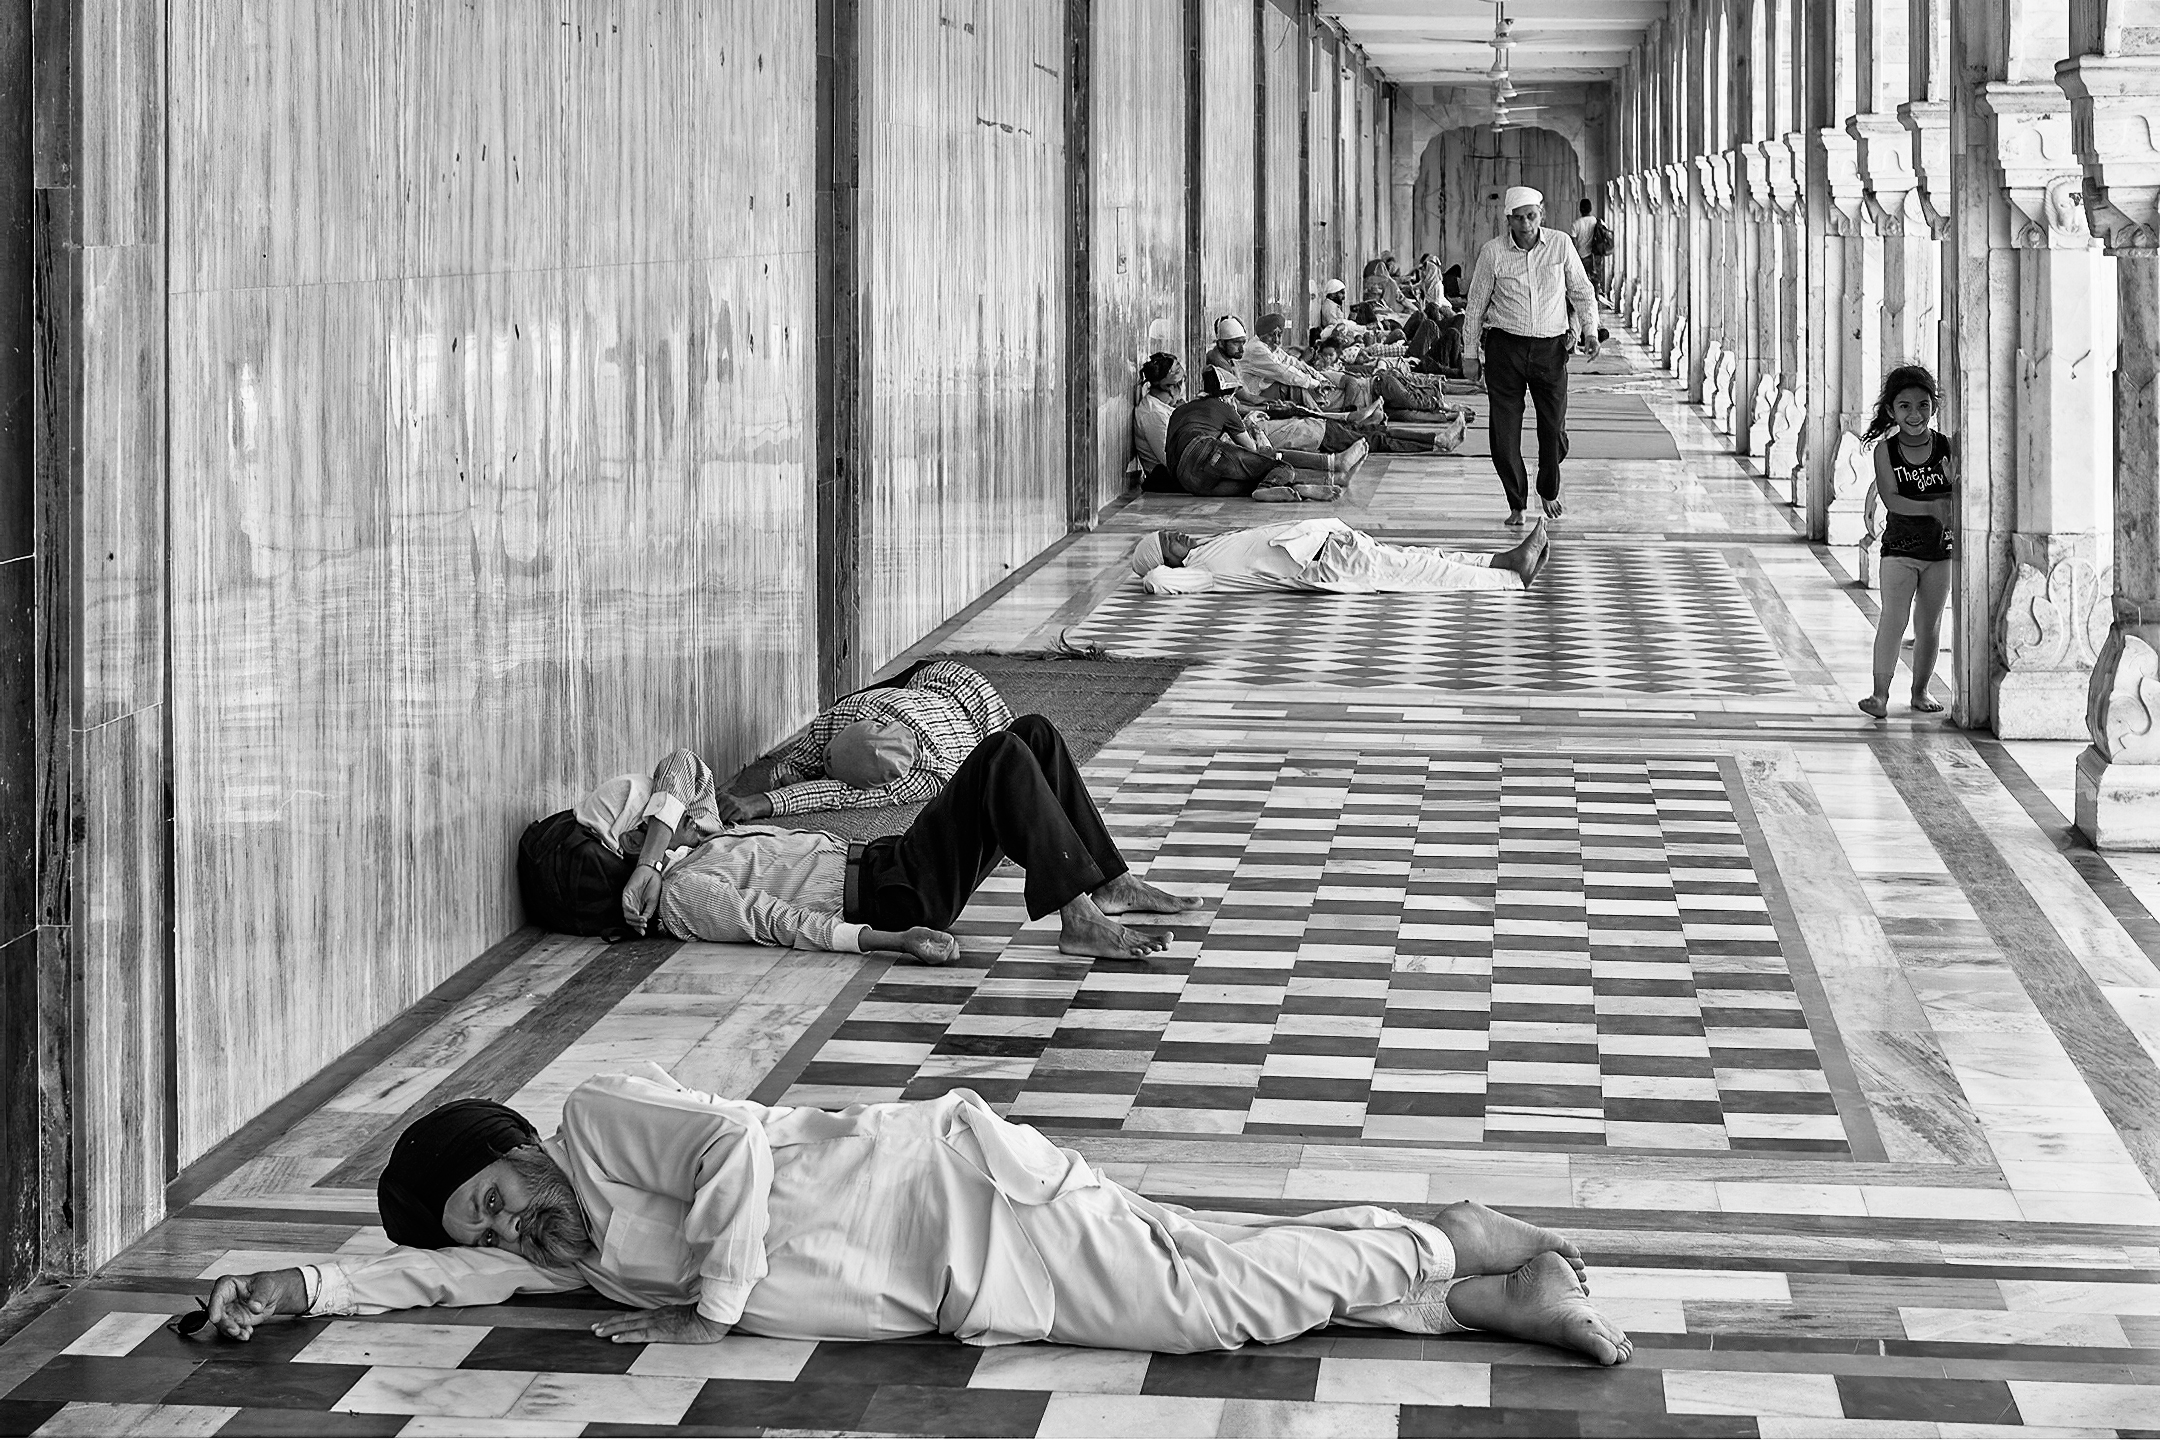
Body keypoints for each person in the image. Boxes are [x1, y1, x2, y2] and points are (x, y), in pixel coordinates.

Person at [193, 1064, 1634, 1366]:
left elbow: (745, 1156)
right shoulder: (577, 1265)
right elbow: (430, 1289)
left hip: (952, 1191)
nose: (510, 1233)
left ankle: (1462, 1238)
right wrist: (305, 1291)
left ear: (519, 1146)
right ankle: (1459, 1297)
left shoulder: (603, 1119)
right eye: (486, 1231)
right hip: (952, 1274)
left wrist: (712, 1299)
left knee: (1209, 1314)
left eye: (496, 1198)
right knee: (1208, 1265)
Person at [599, 716, 1198, 963]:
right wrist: (893, 941)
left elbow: (679, 767)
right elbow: (774, 921)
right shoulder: (680, 893)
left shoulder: (694, 839)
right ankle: (1077, 916)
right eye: (640, 823)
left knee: (1031, 734)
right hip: (893, 897)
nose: (658, 816)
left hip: (889, 861)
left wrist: (653, 855)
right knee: (1005, 760)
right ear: (619, 847)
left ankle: (1109, 883)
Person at [718, 660, 1015, 821]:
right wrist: (787, 771)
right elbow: (806, 747)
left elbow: (837, 795)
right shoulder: (856, 709)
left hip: (981, 711)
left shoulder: (932, 777)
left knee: (1009, 752)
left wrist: (758, 804)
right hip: (941, 675)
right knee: (845, 700)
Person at [1462, 185, 1601, 527]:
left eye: (1531, 216)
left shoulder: (1560, 244)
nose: (1525, 224)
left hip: (1550, 350)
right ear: (1507, 219)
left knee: (1553, 430)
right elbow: (1476, 304)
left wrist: (1590, 331)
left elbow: (1582, 291)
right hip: (1504, 349)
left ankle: (1548, 486)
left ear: (1542, 213)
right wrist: (1469, 353)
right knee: (1504, 432)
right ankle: (1517, 502)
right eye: (1518, 218)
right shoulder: (1493, 252)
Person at [1859, 364, 1955, 720]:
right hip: (1899, 551)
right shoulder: (1886, 452)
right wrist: (1933, 504)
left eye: (1923, 405)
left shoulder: (1946, 446)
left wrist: (1952, 482)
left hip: (1940, 552)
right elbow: (1892, 498)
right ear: (1890, 411)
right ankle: (1879, 695)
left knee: (1929, 624)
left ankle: (1920, 690)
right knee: (1893, 620)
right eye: (1904, 406)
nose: (1915, 414)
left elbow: (1961, 493)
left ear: (1934, 407)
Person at [1128, 517, 1549, 595]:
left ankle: (1503, 561)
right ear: (1168, 561)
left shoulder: (1204, 549)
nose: (1178, 534)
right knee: (1416, 571)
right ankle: (1510, 577)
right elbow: (1157, 582)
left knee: (1422, 556)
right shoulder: (1197, 572)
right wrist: (1155, 572)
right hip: (1324, 563)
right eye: (1169, 541)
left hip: (1326, 539)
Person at [1164, 366, 1341, 501]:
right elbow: (1252, 449)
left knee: (1251, 482)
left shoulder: (1180, 410)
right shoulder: (1224, 408)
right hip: (1203, 450)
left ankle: (1298, 489)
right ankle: (1269, 487)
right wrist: (1252, 427)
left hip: (1187, 480)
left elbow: (1170, 453)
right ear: (1227, 396)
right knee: (1280, 466)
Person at [1131, 351, 1183, 489]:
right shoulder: (1153, 413)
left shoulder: (1164, 407)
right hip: (1166, 478)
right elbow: (1170, 460)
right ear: (1171, 387)